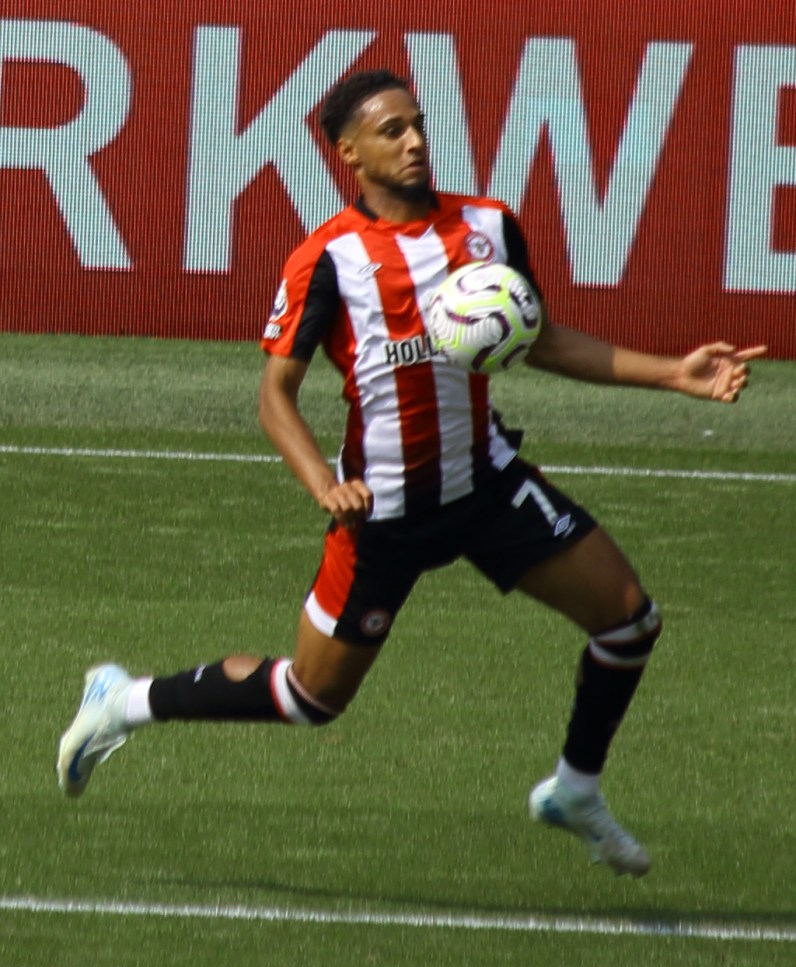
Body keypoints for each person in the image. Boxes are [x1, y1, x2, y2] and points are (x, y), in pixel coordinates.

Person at [56, 69, 766, 877]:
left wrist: (676, 374)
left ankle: (575, 788)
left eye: (418, 123)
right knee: (312, 698)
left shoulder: (488, 225)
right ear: (348, 152)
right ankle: (124, 700)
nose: (415, 140)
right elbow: (274, 397)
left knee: (630, 621)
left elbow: (539, 338)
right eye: (391, 130)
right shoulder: (328, 258)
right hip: (384, 513)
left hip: (486, 485)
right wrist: (324, 482)